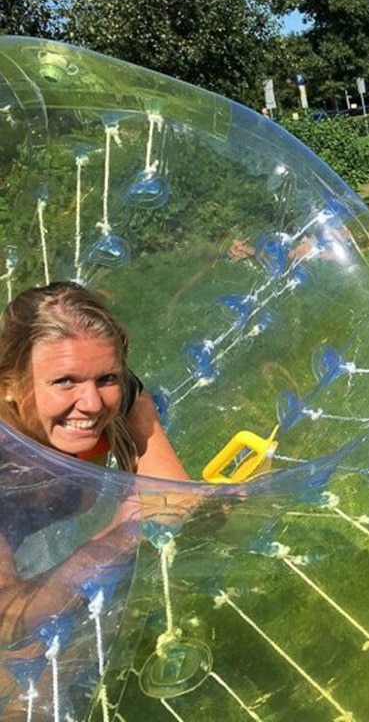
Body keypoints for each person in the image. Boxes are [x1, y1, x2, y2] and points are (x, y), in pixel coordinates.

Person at [0, 282, 190, 672]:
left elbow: (178, 500)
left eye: (106, 378)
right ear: (9, 388)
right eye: (65, 381)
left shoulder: (120, 396)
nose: (91, 404)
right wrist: (119, 536)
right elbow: (9, 619)